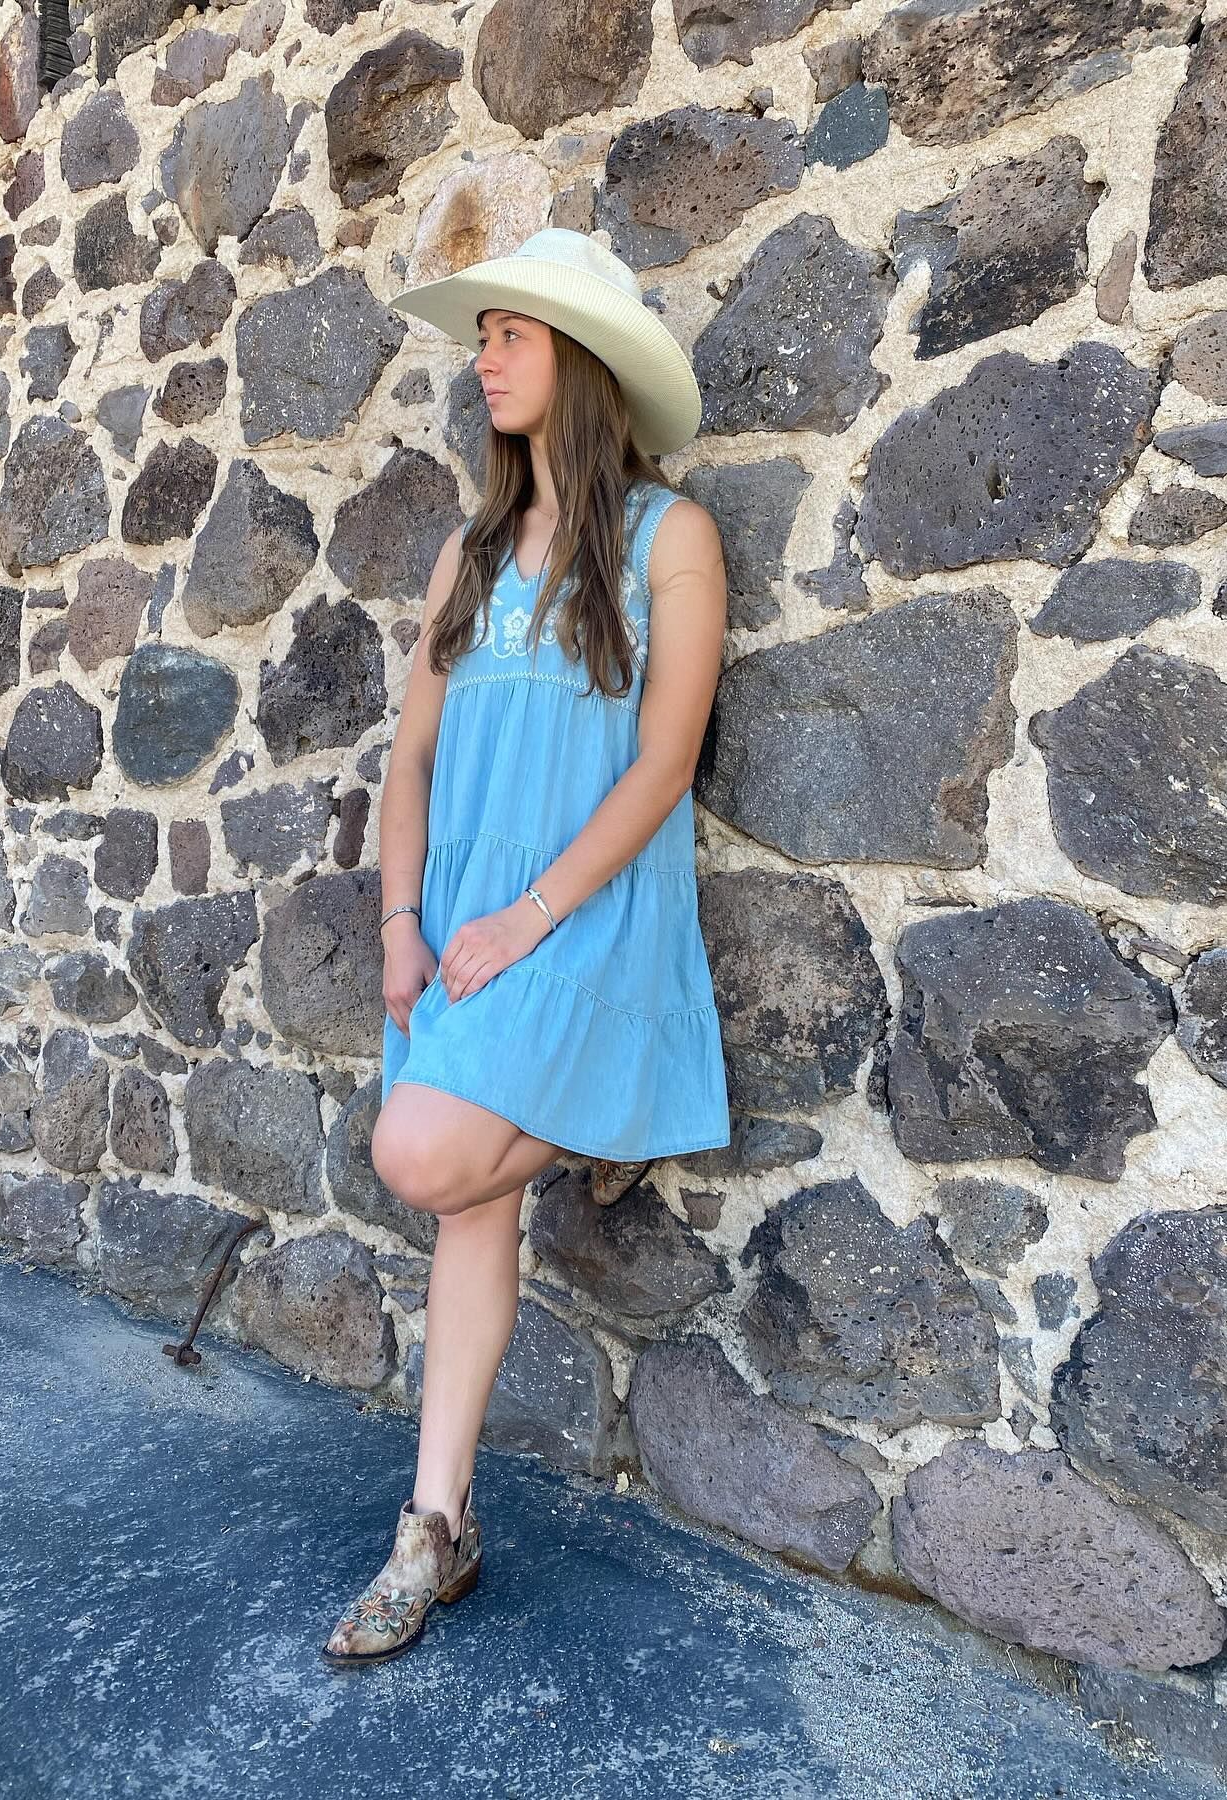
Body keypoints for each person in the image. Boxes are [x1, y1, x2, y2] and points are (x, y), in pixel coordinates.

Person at [320, 227, 731, 1666]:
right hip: (454, 935)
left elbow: (665, 760)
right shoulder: (468, 555)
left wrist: (527, 916)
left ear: (583, 365)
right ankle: (434, 1524)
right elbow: (414, 762)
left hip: (577, 918)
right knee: (463, 1208)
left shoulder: (673, 540)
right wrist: (398, 923)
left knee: (424, 1156)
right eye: (481, 336)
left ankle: (599, 1096)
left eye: (511, 335)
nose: (483, 358)